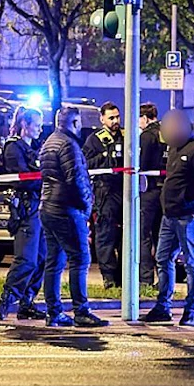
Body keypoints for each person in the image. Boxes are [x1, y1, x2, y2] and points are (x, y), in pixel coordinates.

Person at [146, 109, 194, 326]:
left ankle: (191, 311)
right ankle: (163, 306)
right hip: (171, 215)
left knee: (191, 263)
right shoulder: (175, 148)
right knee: (163, 257)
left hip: (189, 215)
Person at [38, 106, 104, 328]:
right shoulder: (69, 145)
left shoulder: (49, 142)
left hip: (47, 206)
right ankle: (81, 311)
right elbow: (76, 180)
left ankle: (53, 311)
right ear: (75, 123)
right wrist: (86, 207)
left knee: (54, 262)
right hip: (67, 208)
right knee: (80, 259)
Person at [0, 109, 47, 322]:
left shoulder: (33, 147)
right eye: (37, 124)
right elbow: (23, 178)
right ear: (25, 124)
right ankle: (4, 301)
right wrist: (45, 180)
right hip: (27, 207)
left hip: (39, 206)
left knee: (41, 258)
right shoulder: (13, 147)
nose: (40, 129)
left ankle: (27, 303)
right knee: (26, 259)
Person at [83, 103, 127, 290]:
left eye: (117, 117)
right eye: (111, 118)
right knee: (106, 235)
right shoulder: (95, 140)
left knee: (126, 235)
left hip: (124, 190)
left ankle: (123, 276)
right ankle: (109, 278)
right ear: (102, 119)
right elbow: (86, 163)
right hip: (105, 190)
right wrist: (104, 156)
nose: (115, 121)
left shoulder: (126, 137)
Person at [136, 102, 163, 286]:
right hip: (165, 191)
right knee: (161, 235)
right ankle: (163, 279)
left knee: (144, 235)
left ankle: (145, 279)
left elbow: (142, 164)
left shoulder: (146, 136)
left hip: (149, 190)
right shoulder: (167, 133)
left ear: (145, 118)